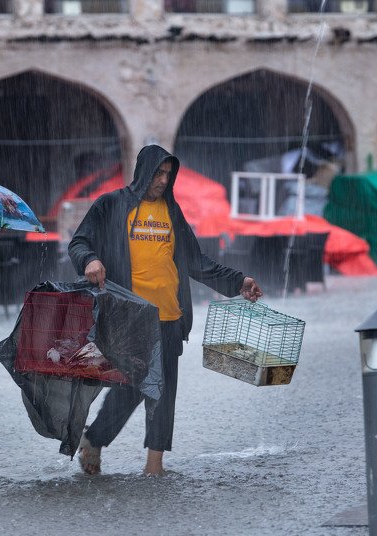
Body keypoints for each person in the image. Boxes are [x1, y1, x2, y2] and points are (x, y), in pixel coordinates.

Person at [68, 144, 263, 476]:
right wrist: (90, 259)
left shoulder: (172, 211)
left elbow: (197, 262)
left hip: (169, 315)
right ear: (143, 170)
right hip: (128, 316)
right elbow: (78, 242)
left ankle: (154, 465)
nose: (162, 180)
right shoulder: (112, 205)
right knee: (131, 386)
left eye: (168, 174)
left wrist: (237, 282)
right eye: (158, 173)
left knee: (164, 391)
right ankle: (94, 438)